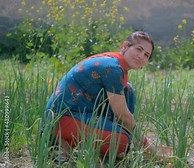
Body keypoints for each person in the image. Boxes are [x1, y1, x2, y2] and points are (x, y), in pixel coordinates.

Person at [45, 31, 156, 160]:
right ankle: (62, 144)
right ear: (125, 46)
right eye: (138, 49)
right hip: (61, 119)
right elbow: (122, 115)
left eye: (146, 55)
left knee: (128, 91)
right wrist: (145, 143)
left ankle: (114, 143)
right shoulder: (112, 68)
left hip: (79, 115)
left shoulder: (116, 65)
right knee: (122, 141)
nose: (141, 56)